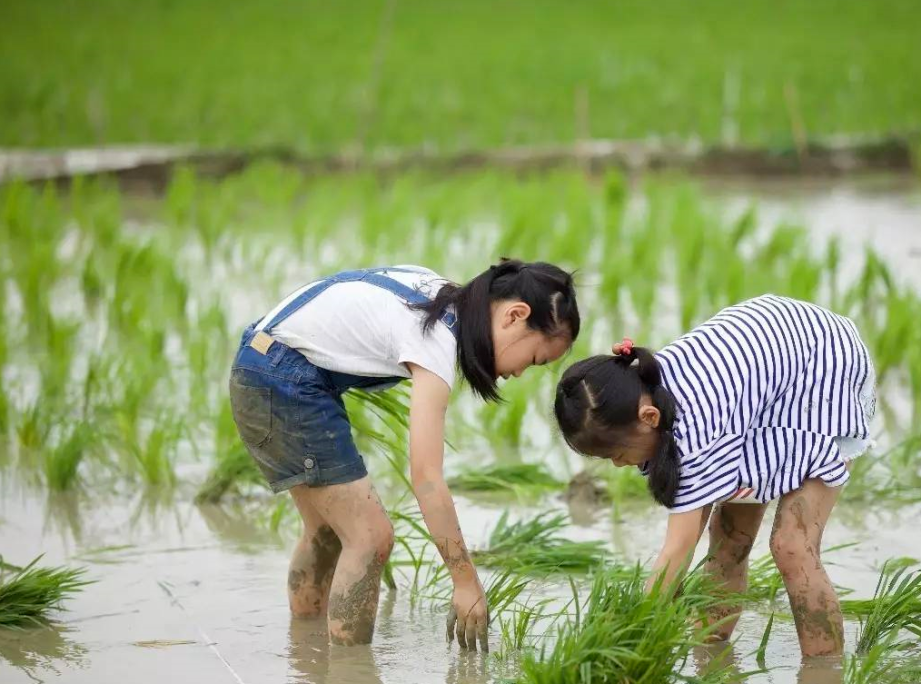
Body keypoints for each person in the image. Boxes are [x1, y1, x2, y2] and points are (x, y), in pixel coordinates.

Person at [230, 260, 579, 650]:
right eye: (534, 359)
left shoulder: (439, 297)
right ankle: (349, 672)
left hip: (264, 361)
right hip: (283, 380)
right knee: (369, 538)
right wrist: (465, 581)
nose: (520, 373)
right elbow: (427, 478)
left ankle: (307, 652)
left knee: (328, 531)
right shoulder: (437, 338)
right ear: (514, 316)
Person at [553, 294, 875, 658]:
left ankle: (824, 669)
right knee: (728, 539)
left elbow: (678, 548)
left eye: (616, 453)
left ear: (648, 418)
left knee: (792, 545)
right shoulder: (648, 396)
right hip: (768, 373)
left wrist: (633, 639)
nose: (617, 464)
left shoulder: (695, 426)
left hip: (824, 364)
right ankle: (710, 654)